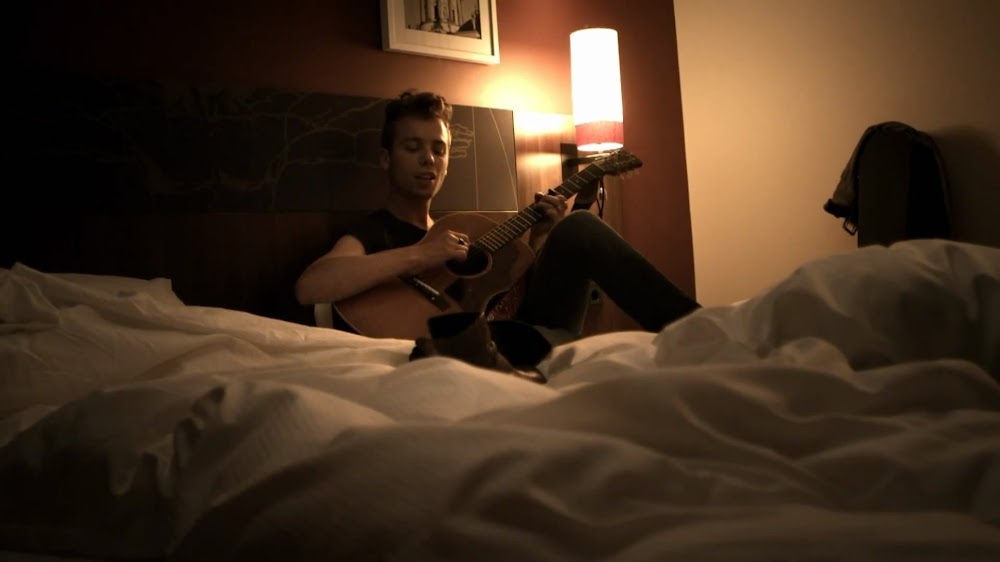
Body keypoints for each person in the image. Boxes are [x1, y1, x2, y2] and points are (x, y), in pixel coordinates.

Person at [295, 90, 699, 370]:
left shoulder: (463, 230)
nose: (428, 159)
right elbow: (311, 286)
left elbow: (512, 302)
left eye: (438, 149)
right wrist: (421, 254)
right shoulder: (374, 232)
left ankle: (701, 332)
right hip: (464, 344)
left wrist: (540, 240)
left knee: (577, 225)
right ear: (386, 158)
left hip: (518, 334)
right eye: (412, 147)